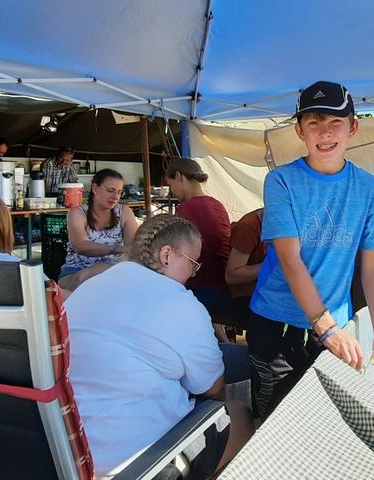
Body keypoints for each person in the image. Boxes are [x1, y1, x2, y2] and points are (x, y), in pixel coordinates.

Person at [247, 81, 374, 419]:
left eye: (335, 122)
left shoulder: (369, 188)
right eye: (314, 122)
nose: (325, 133)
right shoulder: (281, 181)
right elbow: (289, 258)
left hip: (335, 327)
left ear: (353, 127)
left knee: (324, 421)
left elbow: (372, 266)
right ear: (300, 130)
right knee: (274, 423)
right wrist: (325, 327)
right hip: (277, 325)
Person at [66, 214, 253, 479]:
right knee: (238, 415)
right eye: (192, 263)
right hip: (138, 459)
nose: (193, 273)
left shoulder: (92, 286)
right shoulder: (181, 303)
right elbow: (212, 388)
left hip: (72, 452)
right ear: (167, 255)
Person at [166, 158, 232, 340]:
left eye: (170, 184)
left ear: (179, 177)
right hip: (225, 287)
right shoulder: (217, 204)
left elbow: (178, 256)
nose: (172, 191)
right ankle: (223, 340)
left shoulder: (185, 209)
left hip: (203, 290)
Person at [59, 169, 137, 291]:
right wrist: (116, 249)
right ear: (95, 188)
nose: (115, 197)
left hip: (111, 268)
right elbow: (81, 246)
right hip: (75, 270)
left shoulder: (124, 212)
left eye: (119, 192)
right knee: (83, 279)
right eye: (110, 190)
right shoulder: (77, 213)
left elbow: (134, 246)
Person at [225, 208, 266, 330]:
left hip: (272, 294)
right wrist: (272, 266)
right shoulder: (250, 226)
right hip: (247, 297)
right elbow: (232, 275)